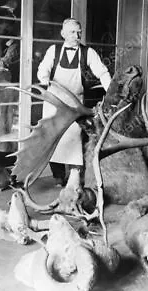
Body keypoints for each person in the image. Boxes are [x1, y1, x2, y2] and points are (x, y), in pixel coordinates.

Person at [37, 18, 111, 186]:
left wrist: (110, 91)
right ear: (63, 34)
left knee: (74, 137)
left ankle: (75, 176)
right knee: (53, 137)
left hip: (75, 103)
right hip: (53, 102)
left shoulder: (88, 52)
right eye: (72, 32)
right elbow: (43, 69)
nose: (77, 35)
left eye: (79, 32)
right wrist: (44, 79)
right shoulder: (53, 51)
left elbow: (103, 72)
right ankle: (57, 177)